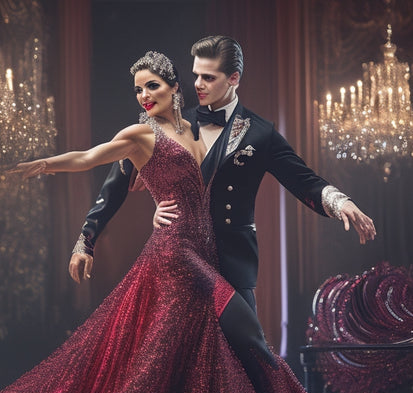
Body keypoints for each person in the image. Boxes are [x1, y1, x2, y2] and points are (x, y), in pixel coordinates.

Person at [0, 51, 366, 393]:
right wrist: (50, 179)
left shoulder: (208, 129)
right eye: (139, 90)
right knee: (260, 349)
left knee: (198, 373)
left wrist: (337, 200)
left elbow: (257, 178)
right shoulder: (141, 133)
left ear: (175, 88)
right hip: (179, 259)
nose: (145, 97)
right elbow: (94, 162)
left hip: (217, 257)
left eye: (153, 87)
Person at [69, 36, 376, 314]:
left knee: (247, 358)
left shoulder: (261, 133)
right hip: (181, 262)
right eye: (196, 76)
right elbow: (115, 185)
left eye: (208, 77)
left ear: (234, 78)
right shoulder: (169, 127)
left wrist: (341, 203)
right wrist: (86, 241)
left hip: (233, 262)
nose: (198, 85)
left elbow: (303, 180)